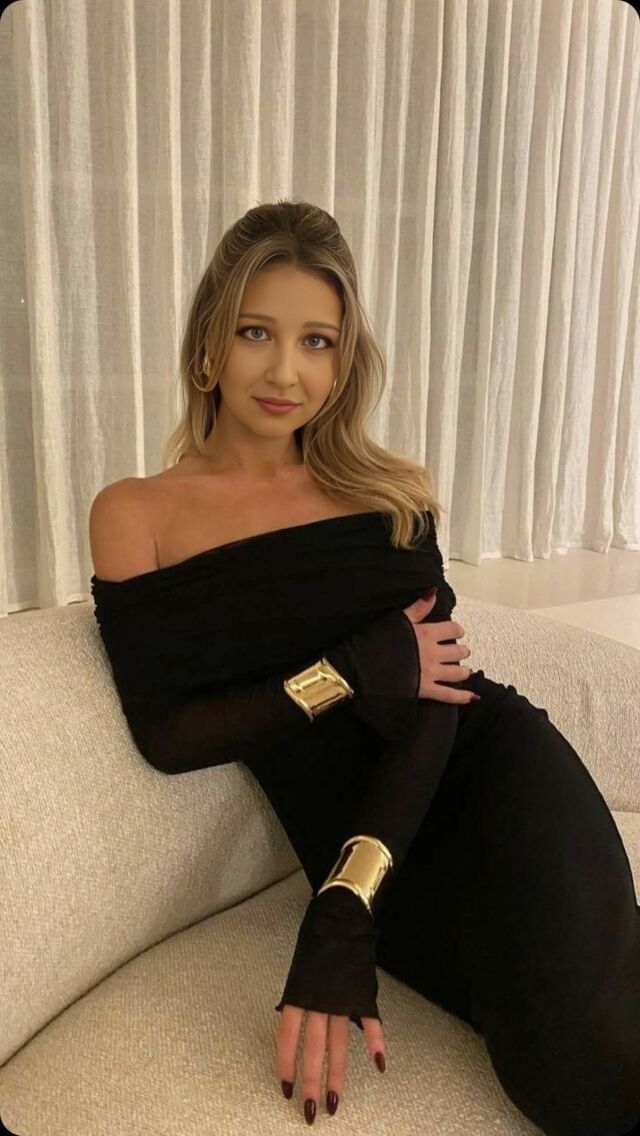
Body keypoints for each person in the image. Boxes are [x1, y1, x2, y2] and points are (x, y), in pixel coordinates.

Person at [89, 200, 640, 1134]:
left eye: (318, 341)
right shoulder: (135, 514)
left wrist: (344, 906)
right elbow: (168, 736)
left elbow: (438, 701)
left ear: (345, 361)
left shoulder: (388, 494)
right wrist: (346, 670)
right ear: (208, 344)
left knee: (594, 1061)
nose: (286, 371)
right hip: (378, 859)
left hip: (486, 782)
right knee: (567, 1071)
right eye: (257, 332)